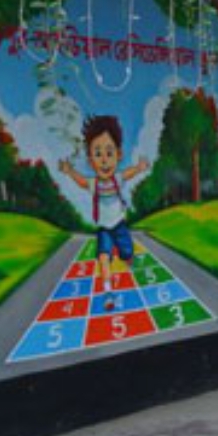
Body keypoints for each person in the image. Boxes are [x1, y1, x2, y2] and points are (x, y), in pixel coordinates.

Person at [59, 114, 149, 299]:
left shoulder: (117, 179)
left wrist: (139, 168)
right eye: (98, 154)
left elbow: (128, 173)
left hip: (119, 225)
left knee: (127, 253)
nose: (104, 160)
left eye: (109, 153)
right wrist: (69, 171)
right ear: (91, 160)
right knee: (103, 257)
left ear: (118, 155)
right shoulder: (94, 183)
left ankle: (126, 255)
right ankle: (108, 291)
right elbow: (81, 181)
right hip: (104, 229)